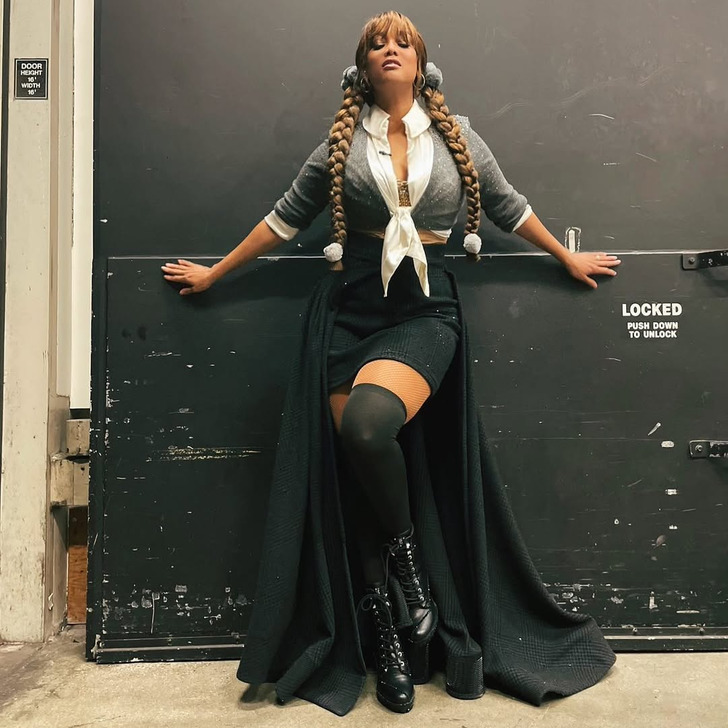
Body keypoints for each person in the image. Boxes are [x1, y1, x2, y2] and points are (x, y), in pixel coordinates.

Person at [161, 10, 620, 716]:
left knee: (368, 428)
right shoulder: (339, 144)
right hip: (348, 313)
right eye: (377, 43)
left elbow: (506, 205)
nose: (390, 49)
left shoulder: (459, 136)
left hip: (424, 311)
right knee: (357, 481)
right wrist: (215, 273)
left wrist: (566, 255)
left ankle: (408, 570)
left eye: (402, 41)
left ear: (421, 61)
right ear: (363, 66)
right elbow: (284, 218)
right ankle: (387, 632)